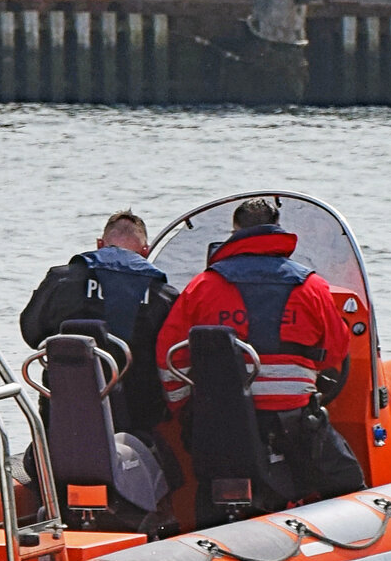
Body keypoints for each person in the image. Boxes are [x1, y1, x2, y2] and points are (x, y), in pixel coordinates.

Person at [155, 197, 364, 504]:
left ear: (235, 231)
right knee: (346, 482)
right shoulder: (312, 287)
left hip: (224, 423)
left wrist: (186, 410)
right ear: (277, 229)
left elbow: (169, 356)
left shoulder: (201, 287)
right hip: (294, 420)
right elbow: (336, 350)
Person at [20, 210, 178, 437]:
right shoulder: (163, 295)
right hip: (137, 420)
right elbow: (175, 358)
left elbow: (31, 332)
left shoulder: (60, 280)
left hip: (63, 410)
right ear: (146, 251)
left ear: (100, 244)